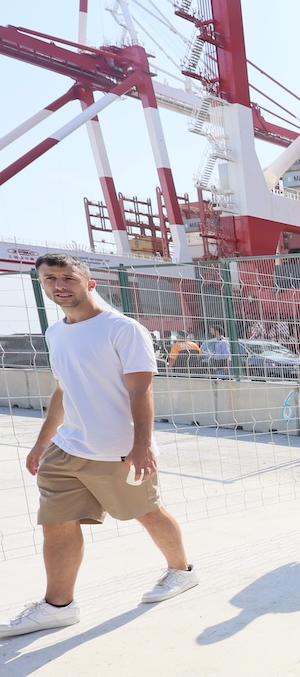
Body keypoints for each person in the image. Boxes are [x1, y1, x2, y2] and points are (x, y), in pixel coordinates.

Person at [1, 254, 199, 638]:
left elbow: (141, 390)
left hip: (117, 450)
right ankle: (58, 606)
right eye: (50, 279)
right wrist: (42, 443)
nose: (59, 285)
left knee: (147, 512)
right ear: (41, 284)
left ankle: (181, 571)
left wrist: (142, 446)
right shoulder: (55, 333)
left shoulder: (123, 329)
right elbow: (62, 390)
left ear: (89, 282)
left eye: (68, 277)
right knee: (56, 523)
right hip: (67, 448)